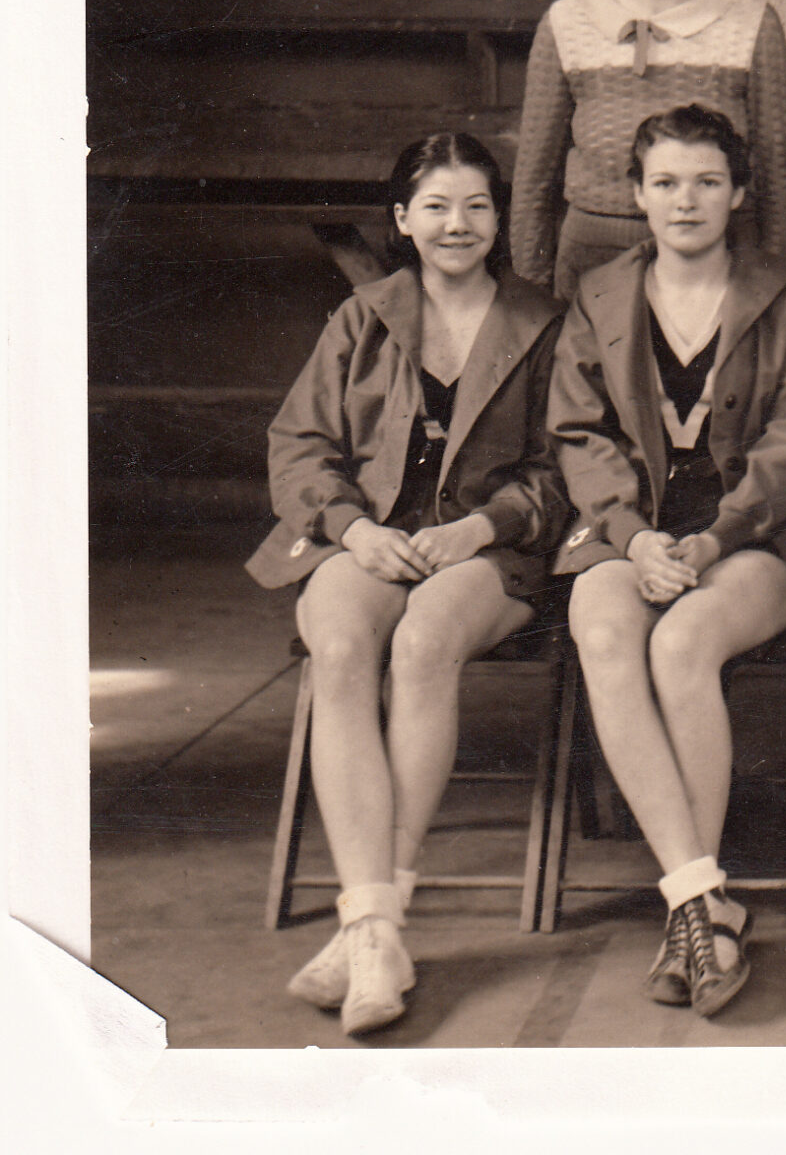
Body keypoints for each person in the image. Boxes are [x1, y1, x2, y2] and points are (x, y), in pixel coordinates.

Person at [246, 133, 568, 1036]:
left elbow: (566, 460)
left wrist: (482, 525)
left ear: (500, 218)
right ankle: (378, 924)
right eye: (435, 206)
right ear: (400, 220)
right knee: (340, 642)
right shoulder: (363, 316)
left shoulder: (543, 320)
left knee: (424, 645)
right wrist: (351, 528)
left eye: (475, 205)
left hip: (488, 546)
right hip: (370, 534)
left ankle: (369, 925)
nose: (456, 224)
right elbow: (299, 446)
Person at [549, 104, 786, 1018]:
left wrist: (712, 540)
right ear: (634, 195)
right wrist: (633, 538)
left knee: (682, 647)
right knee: (600, 623)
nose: (686, 199)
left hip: (749, 535)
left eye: (708, 180)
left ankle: (691, 915)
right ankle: (702, 900)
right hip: (632, 532)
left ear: (741, 191)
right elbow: (579, 434)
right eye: (664, 182)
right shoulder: (598, 294)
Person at [511, 0, 786, 299]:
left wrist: (774, 293)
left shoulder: (752, 23)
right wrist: (530, 302)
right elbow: (533, 181)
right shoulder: (568, 22)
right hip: (592, 264)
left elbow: (777, 179)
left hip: (722, 266)